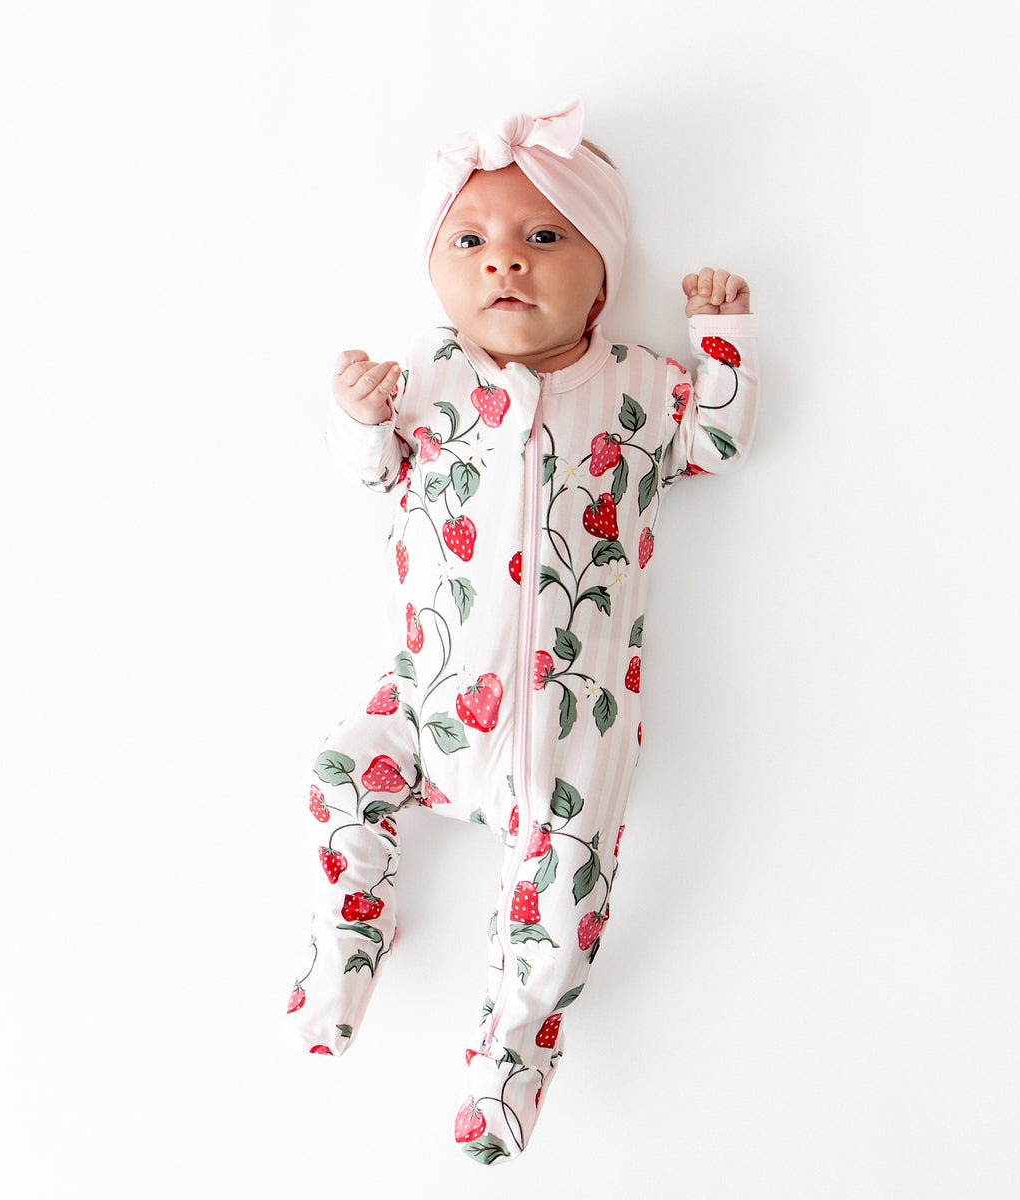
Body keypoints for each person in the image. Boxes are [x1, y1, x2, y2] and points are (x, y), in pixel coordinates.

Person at [284, 98, 758, 1165]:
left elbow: (719, 439)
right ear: (436, 272)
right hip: (426, 704)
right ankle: (351, 927)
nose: (506, 263)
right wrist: (359, 416)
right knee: (340, 769)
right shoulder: (431, 380)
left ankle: (512, 1056)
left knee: (565, 899)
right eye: (472, 241)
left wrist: (721, 337)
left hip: (573, 730)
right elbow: (372, 471)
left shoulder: (637, 387)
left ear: (604, 271)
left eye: (543, 237)